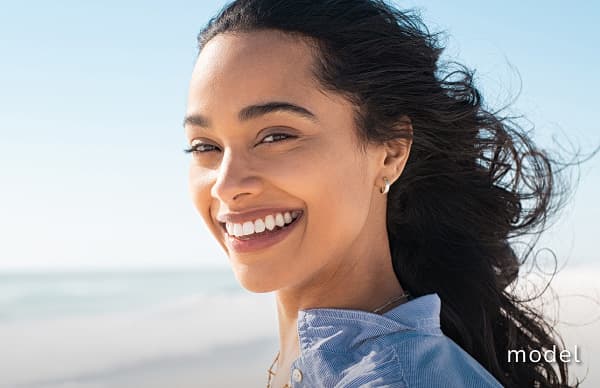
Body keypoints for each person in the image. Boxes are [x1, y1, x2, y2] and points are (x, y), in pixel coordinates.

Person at [183, 0, 581, 387]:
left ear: (391, 151)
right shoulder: (319, 363)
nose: (227, 185)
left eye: (276, 136)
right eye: (205, 145)